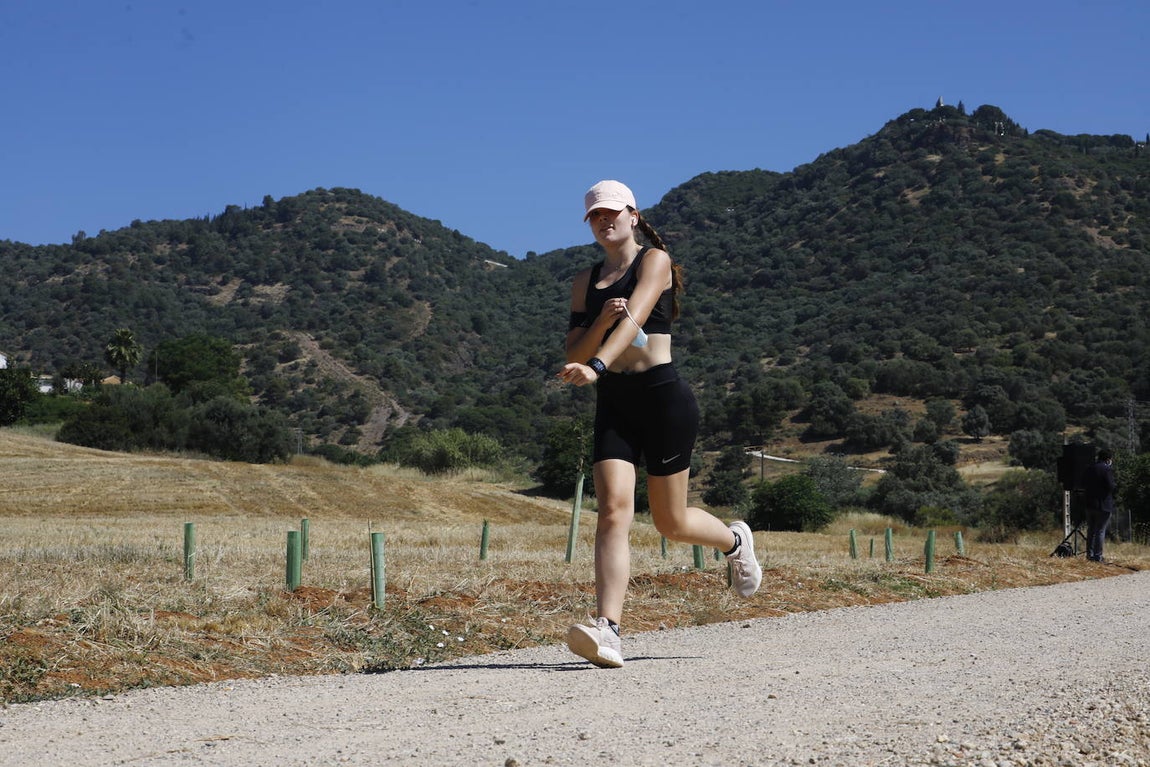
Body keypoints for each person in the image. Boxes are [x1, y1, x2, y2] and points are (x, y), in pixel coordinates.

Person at [555, 180, 762, 668]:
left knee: (672, 523)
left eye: (611, 213)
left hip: (663, 398)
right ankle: (608, 630)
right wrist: (599, 325)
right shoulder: (585, 281)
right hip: (615, 403)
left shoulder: (655, 261)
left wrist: (598, 363)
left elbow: (636, 320)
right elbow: (573, 349)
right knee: (613, 512)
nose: (603, 221)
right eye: (594, 216)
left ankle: (735, 542)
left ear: (632, 215)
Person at [1083, 448, 1117, 562]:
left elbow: (1083, 483)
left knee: (1091, 530)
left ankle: (1089, 555)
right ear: (1108, 459)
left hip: (1089, 504)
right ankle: (1098, 556)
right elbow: (1111, 486)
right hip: (1103, 505)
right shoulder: (1107, 469)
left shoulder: (1089, 468)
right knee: (1100, 531)